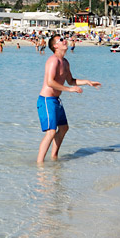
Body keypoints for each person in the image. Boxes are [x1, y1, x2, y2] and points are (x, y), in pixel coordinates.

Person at [36, 34, 102, 163]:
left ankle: (54, 156)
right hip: (46, 100)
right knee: (51, 132)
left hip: (56, 100)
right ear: (55, 46)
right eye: (61, 40)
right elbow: (50, 82)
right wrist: (69, 89)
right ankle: (40, 164)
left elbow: (71, 80)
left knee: (64, 128)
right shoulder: (53, 60)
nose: (64, 40)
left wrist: (87, 82)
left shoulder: (65, 62)